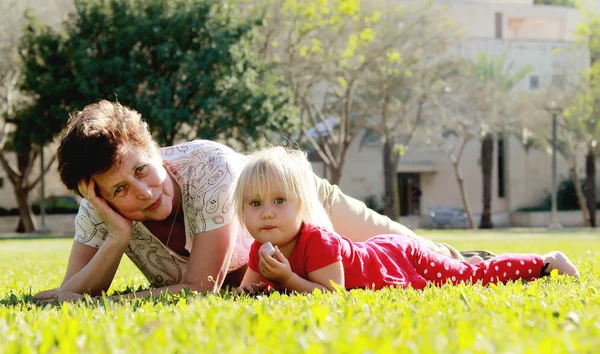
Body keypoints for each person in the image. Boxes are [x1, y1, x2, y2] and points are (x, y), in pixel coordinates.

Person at [34, 100, 488, 302]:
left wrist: (106, 302)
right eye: (119, 192)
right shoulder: (99, 213)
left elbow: (199, 289)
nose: (144, 193)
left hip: (292, 200)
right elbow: (69, 295)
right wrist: (116, 238)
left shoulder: (208, 169)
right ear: (96, 195)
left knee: (425, 256)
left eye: (142, 170)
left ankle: (482, 260)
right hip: (271, 262)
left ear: (155, 149)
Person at [235, 146, 580, 294]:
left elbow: (330, 296)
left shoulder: (318, 241)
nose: (266, 211)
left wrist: (286, 278)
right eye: (255, 203)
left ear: (302, 206)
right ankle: (462, 260)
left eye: (279, 201)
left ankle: (546, 263)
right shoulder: (260, 248)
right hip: (379, 251)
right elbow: (248, 288)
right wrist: (250, 290)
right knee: (460, 270)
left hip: (398, 258)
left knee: (472, 277)